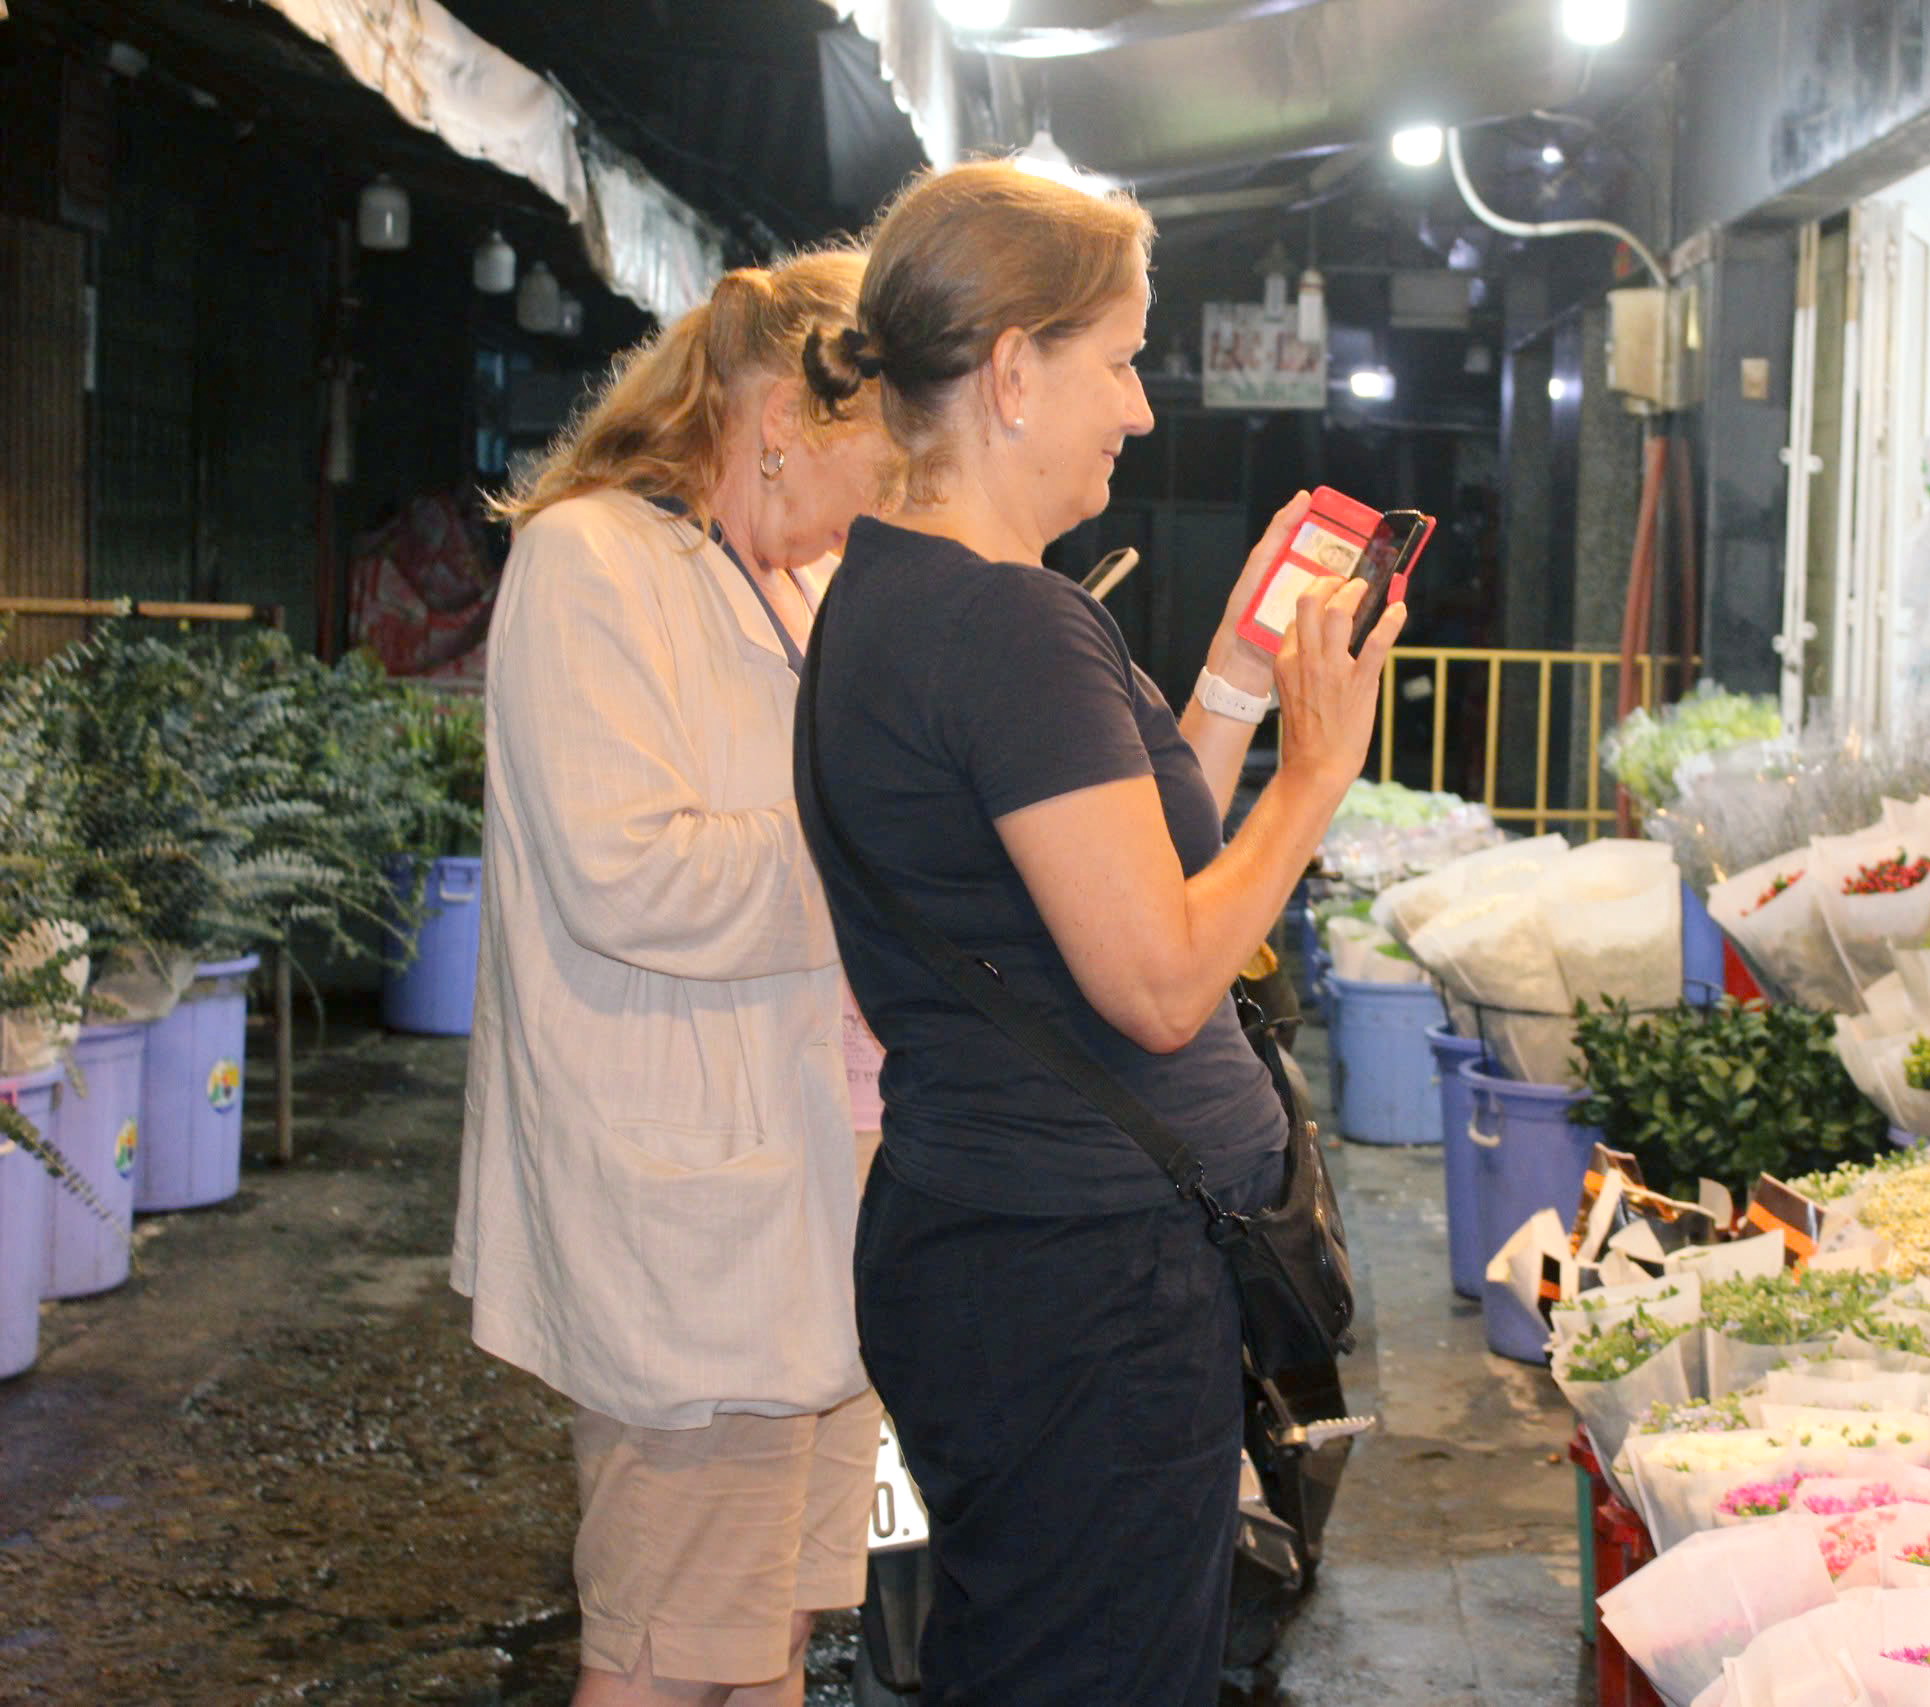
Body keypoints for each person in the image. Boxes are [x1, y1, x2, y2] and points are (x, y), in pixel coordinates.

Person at [794, 161, 1403, 1705]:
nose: (1140, 408)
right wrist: (1320, 774)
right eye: (1122, 359)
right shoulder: (1006, 624)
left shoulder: (899, 587)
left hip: (998, 1251)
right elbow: (1155, 977)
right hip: (1081, 1289)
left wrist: (1237, 687)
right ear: (1013, 370)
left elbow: (1110, 883)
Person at [454, 247, 903, 1707]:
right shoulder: (591, 559)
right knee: (657, 1661)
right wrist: (878, 839)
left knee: (768, 1633)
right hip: (694, 1218)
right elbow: (628, 872)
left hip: (823, 1186)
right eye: (883, 451)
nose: (890, 494)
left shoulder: (798, 574)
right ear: (789, 419)